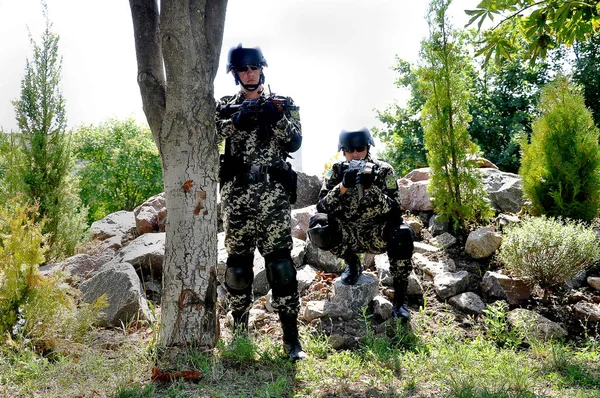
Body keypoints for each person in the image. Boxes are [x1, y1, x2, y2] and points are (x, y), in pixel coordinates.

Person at [215, 44, 306, 360]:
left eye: (254, 68)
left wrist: (275, 117)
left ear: (262, 69)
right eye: (243, 69)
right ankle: (240, 337)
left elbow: (295, 141)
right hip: (237, 198)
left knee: (280, 267)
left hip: (273, 196)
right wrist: (237, 120)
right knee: (238, 269)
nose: (249, 74)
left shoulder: (282, 103)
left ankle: (292, 341)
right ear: (235, 73)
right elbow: (209, 132)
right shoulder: (226, 105)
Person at [307, 128, 414, 321]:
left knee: (403, 234)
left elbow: (395, 209)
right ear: (343, 151)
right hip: (346, 233)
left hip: (376, 233)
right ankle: (352, 262)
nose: (355, 154)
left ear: (368, 148)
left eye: (360, 148)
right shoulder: (337, 171)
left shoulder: (383, 170)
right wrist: (343, 186)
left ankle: (400, 300)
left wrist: (369, 188)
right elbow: (322, 206)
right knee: (318, 227)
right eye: (350, 150)